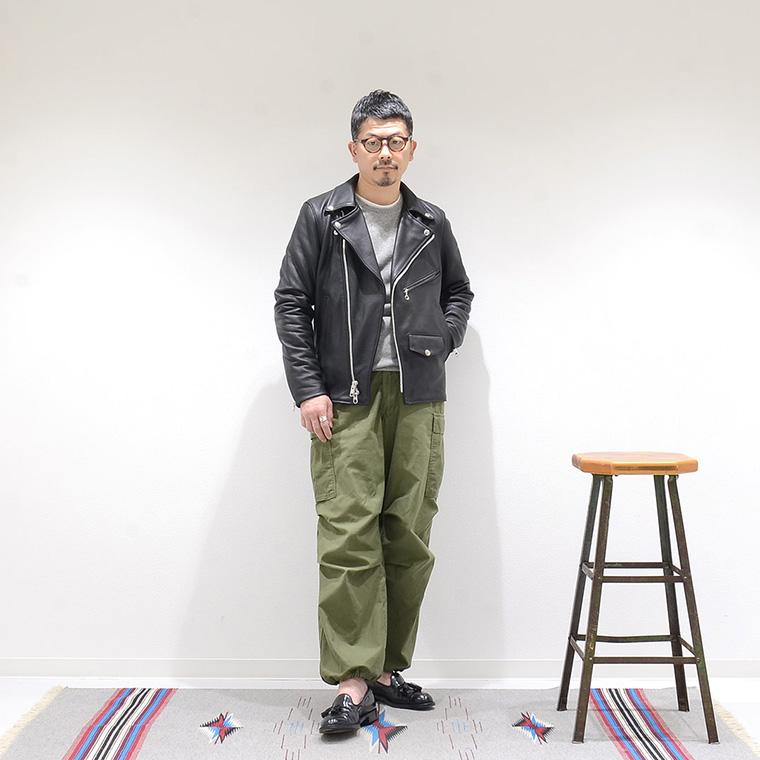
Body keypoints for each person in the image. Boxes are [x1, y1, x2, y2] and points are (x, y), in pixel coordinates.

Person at [273, 89, 474, 735]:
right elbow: (291, 302)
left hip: (418, 396)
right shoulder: (321, 216)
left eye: (395, 142)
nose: (385, 153)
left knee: (408, 535)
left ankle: (385, 669)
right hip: (346, 396)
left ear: (411, 149)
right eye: (373, 142)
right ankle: (353, 681)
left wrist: (441, 339)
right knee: (348, 535)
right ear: (353, 148)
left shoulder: (431, 222)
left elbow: (459, 292)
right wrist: (309, 389)